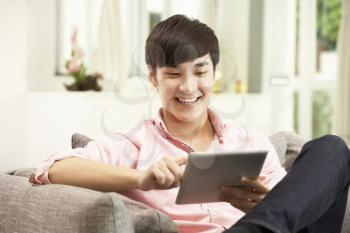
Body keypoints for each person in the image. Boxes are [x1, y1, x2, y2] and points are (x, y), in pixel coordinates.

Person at [32, 15, 350, 233]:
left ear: (214, 74)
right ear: (153, 77)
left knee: (332, 148)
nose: (188, 87)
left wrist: (266, 203)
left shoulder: (250, 142)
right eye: (173, 74)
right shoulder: (134, 146)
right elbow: (52, 169)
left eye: (200, 72)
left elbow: (300, 207)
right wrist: (143, 178)